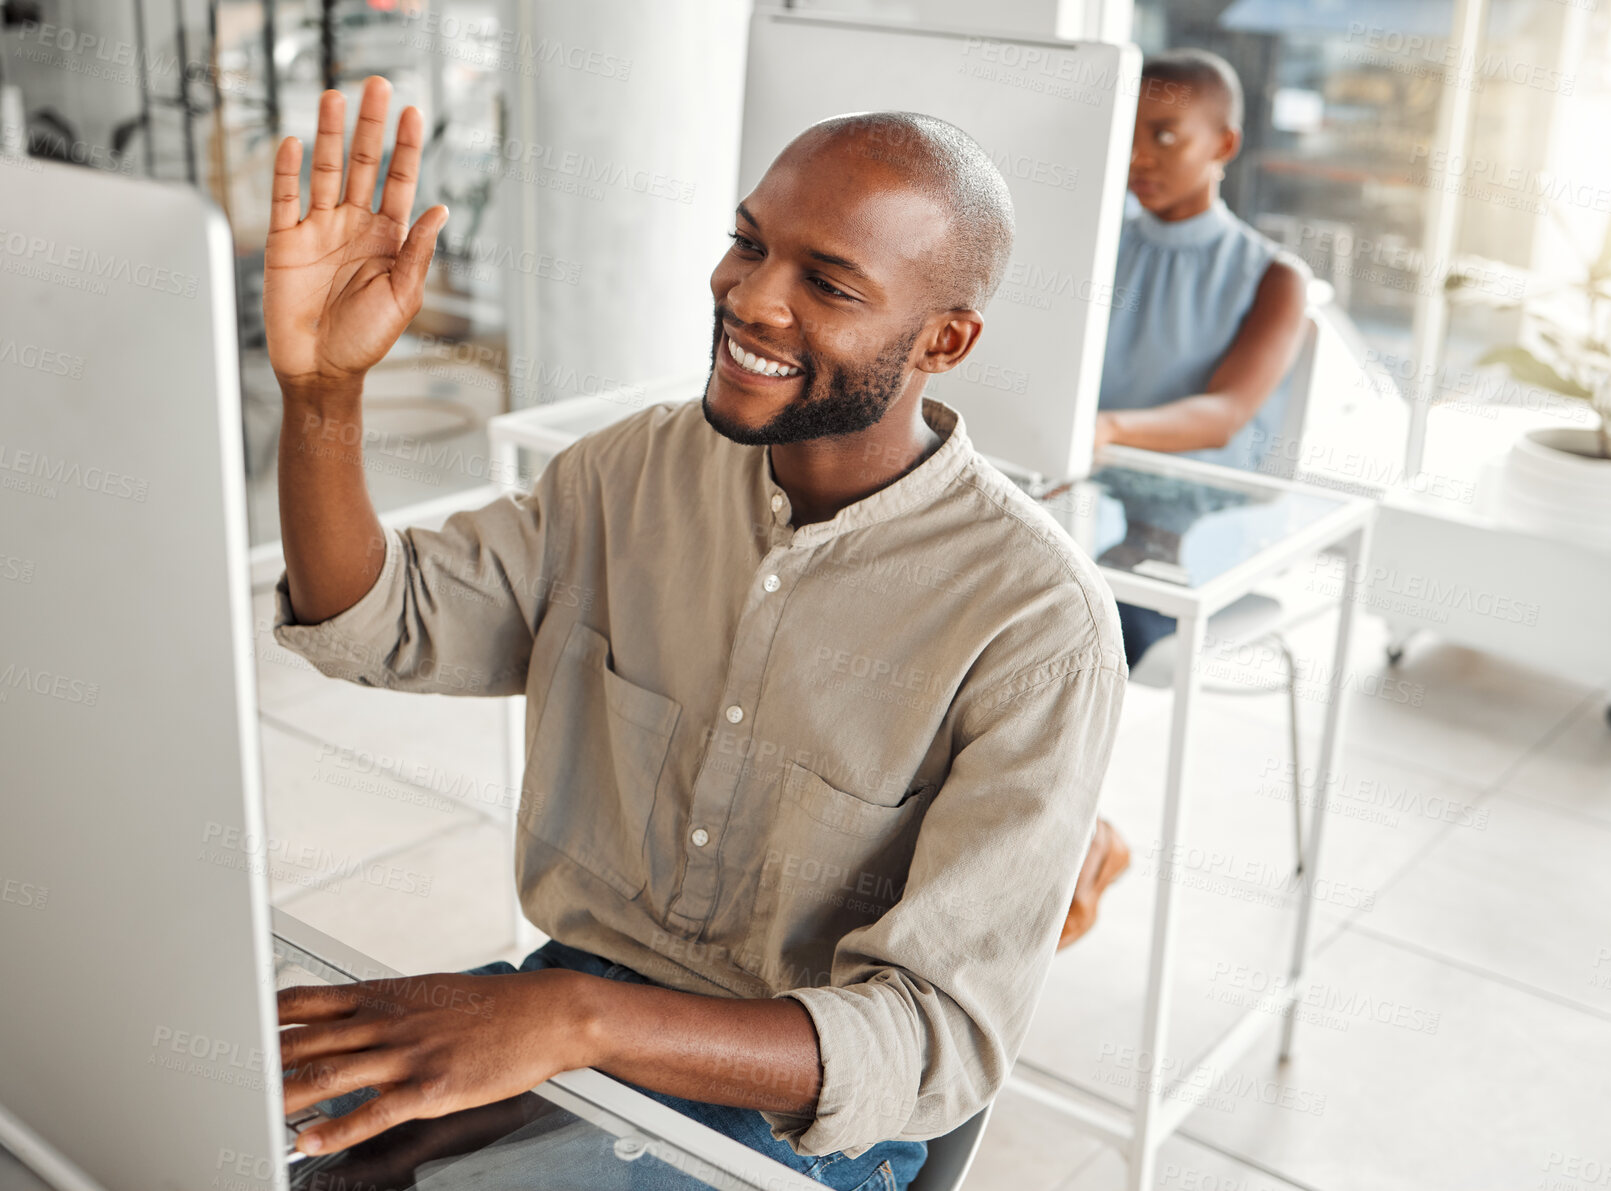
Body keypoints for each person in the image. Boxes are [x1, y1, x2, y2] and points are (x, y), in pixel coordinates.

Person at [264, 77, 1127, 1190]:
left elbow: (934, 1042)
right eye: (748, 243)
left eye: (827, 282)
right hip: (565, 1011)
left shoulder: (1038, 625)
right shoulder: (631, 471)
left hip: (786, 1115)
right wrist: (324, 390)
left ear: (943, 339)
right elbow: (380, 621)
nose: (752, 297)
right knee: (243, 1138)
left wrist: (576, 1018)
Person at [1096, 48, 1311, 665]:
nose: (1139, 156)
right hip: (1087, 491)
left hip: (1193, 526)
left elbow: (1223, 415)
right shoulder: (1098, 246)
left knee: (1076, 626)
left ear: (1224, 144)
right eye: (1129, 133)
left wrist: (1105, 431)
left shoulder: (1273, 277)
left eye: (1164, 135)